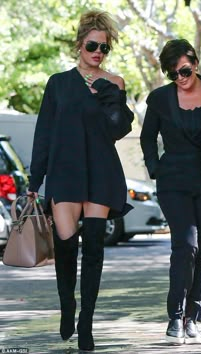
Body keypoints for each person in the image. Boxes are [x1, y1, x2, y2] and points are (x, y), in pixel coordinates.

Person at [27, 10, 134, 351]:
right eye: (92, 46)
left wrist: (107, 93)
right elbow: (44, 133)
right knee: (66, 246)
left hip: (101, 172)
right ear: (79, 45)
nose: (98, 53)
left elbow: (118, 128)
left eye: (104, 48)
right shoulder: (58, 83)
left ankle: (86, 322)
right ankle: (67, 306)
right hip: (65, 172)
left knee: (95, 253)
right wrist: (35, 179)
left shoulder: (114, 83)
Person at [140, 39, 201, 345]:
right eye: (172, 73)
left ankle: (194, 317)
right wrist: (155, 169)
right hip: (173, 181)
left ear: (194, 63)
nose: (180, 78)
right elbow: (147, 138)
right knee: (186, 245)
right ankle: (175, 317)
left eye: (183, 70)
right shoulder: (159, 99)